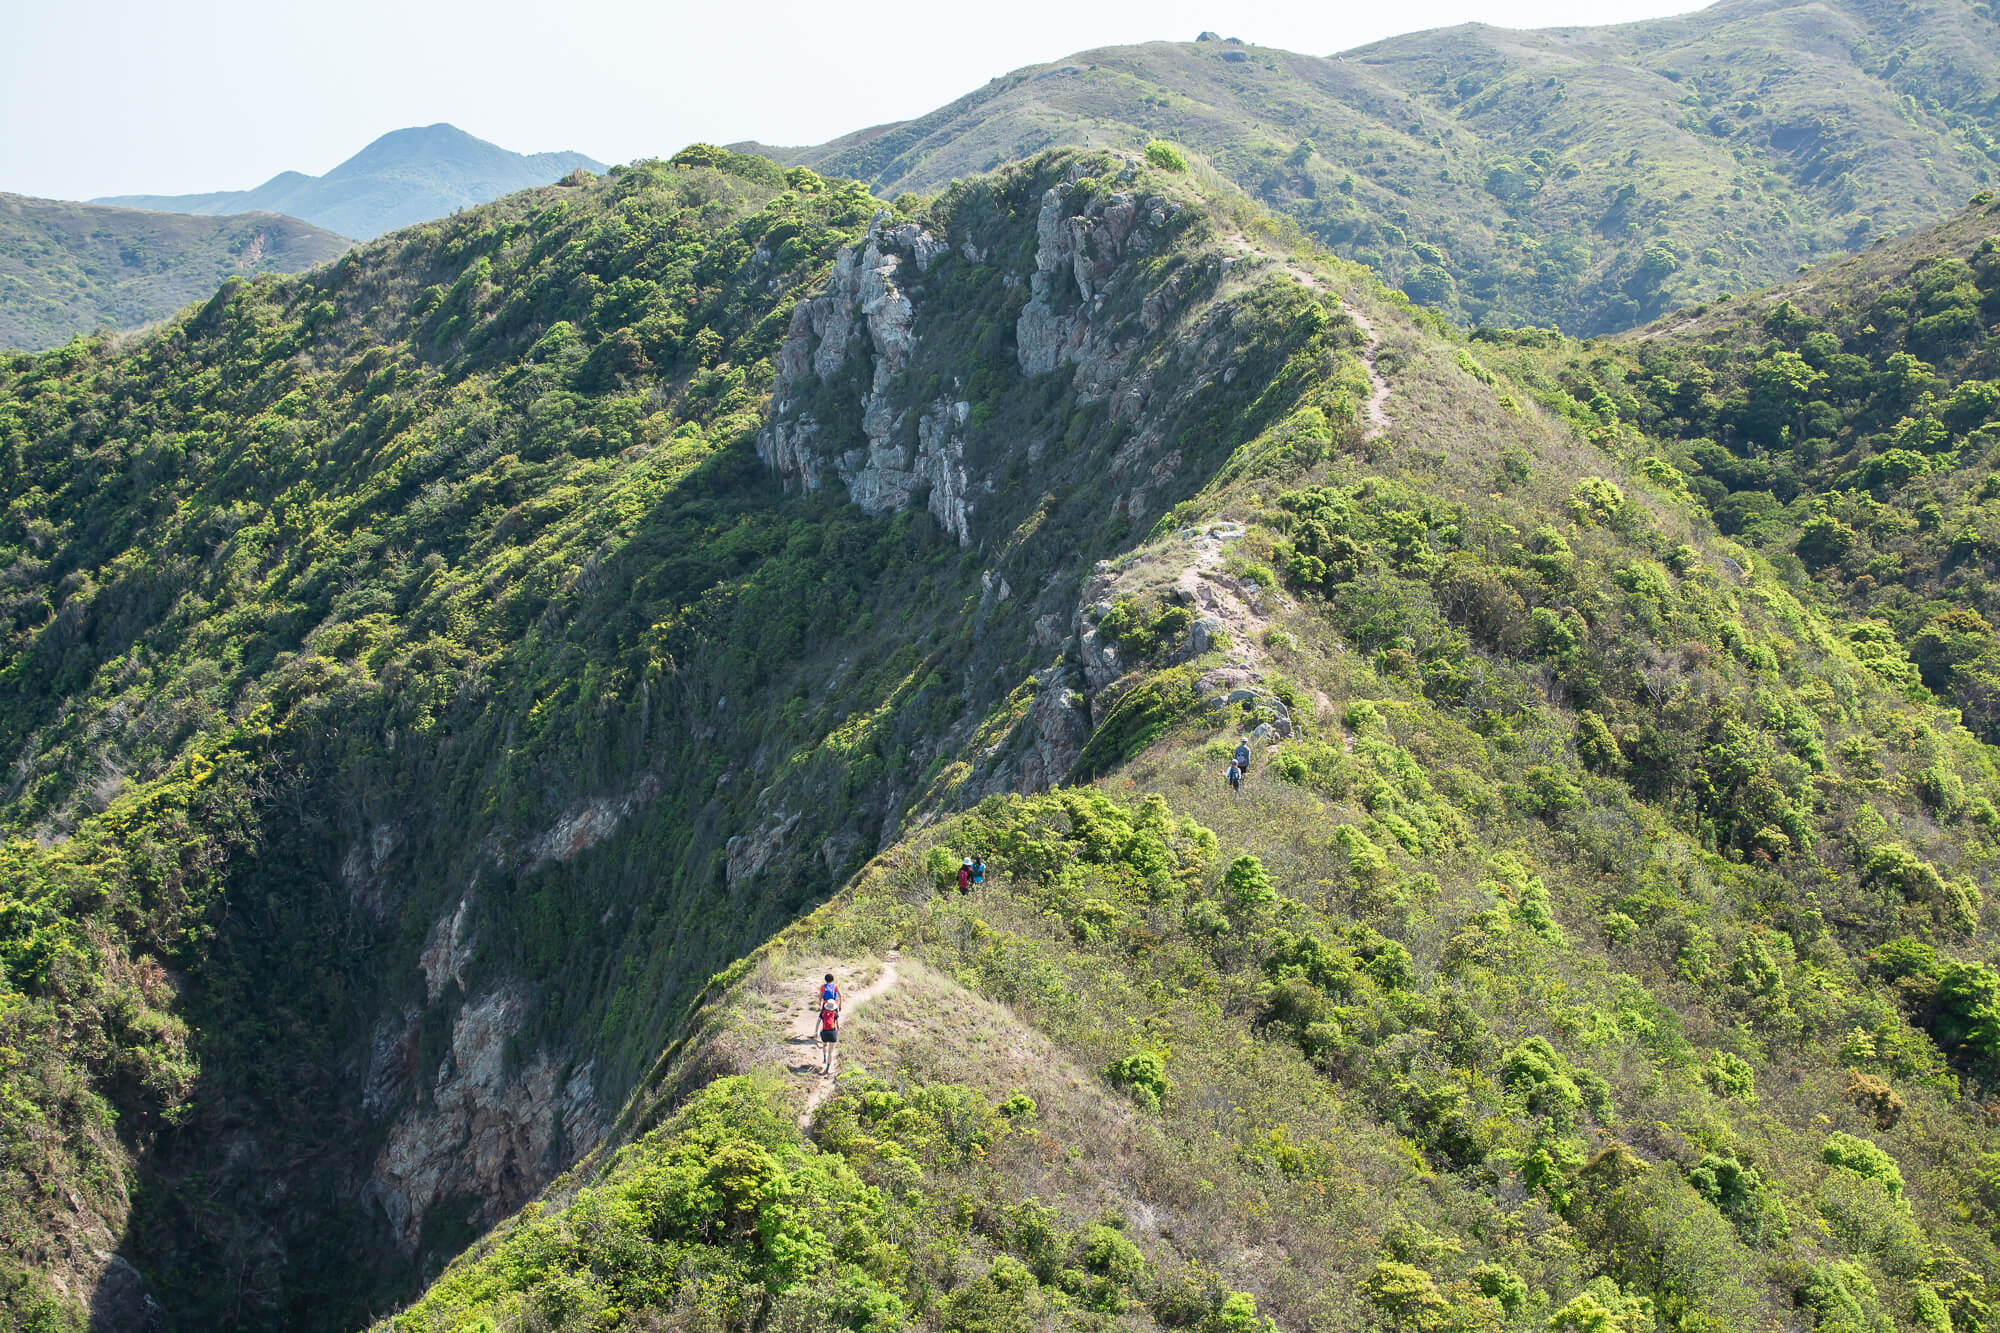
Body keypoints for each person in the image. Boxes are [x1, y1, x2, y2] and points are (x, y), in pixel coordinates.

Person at [818, 1000, 839, 1075]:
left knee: (824, 1045)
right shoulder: (835, 1014)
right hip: (832, 1033)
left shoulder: (822, 1013)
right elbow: (837, 1025)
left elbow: (818, 1022)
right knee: (830, 1052)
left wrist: (816, 1032)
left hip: (824, 1032)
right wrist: (837, 1033)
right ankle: (827, 1069)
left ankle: (824, 1059)